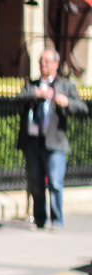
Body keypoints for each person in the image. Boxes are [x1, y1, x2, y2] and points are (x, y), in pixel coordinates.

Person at [16, 49, 87, 230]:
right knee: (35, 182)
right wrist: (35, 94)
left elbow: (83, 108)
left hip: (55, 142)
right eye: (41, 61)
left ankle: (57, 220)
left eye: (47, 61)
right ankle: (40, 219)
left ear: (56, 64)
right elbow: (16, 100)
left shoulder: (65, 86)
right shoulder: (31, 85)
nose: (43, 64)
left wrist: (68, 102)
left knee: (55, 181)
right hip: (33, 141)